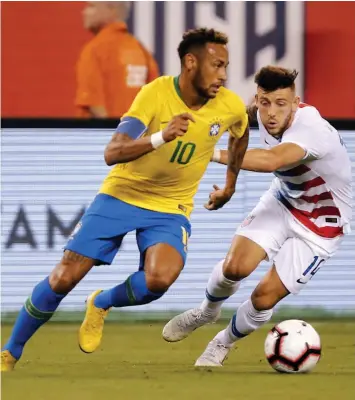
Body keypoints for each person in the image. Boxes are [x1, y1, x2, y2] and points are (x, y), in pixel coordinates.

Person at [1, 28, 249, 371]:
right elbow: (112, 152)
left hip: (169, 208)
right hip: (121, 195)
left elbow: (240, 133)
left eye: (226, 67)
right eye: (217, 65)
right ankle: (10, 353)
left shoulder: (231, 106)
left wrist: (230, 185)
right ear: (191, 63)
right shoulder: (155, 94)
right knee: (63, 277)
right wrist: (161, 136)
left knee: (159, 280)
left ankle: (102, 301)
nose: (223, 75)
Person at [162, 65, 353, 367]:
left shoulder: (312, 129)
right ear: (257, 100)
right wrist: (228, 187)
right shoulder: (260, 112)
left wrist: (207, 153)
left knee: (264, 298)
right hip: (284, 200)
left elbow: (270, 160)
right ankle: (206, 311)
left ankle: (221, 343)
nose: (271, 113)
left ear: (296, 102)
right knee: (234, 267)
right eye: (265, 103)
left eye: (281, 104)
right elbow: (232, 128)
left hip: (321, 224)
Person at [75, 1, 159, 118]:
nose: (84, 12)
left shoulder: (94, 49)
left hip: (104, 133)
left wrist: (115, 134)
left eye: (91, 6)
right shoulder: (140, 49)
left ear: (112, 10)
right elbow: (155, 100)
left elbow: (94, 105)